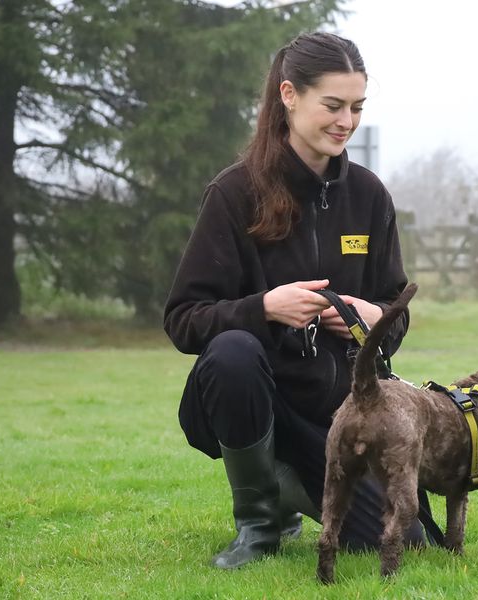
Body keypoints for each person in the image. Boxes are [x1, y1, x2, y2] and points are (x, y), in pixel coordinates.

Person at [163, 31, 430, 570]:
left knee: (401, 538)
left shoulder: (369, 195)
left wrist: (376, 318)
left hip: (341, 414)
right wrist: (263, 308)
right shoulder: (233, 193)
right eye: (332, 105)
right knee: (234, 350)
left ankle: (289, 486)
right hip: (250, 396)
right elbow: (184, 319)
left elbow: (394, 310)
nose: (346, 121)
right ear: (289, 95)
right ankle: (259, 523)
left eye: (356, 107)